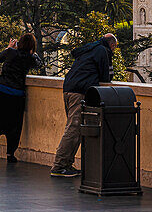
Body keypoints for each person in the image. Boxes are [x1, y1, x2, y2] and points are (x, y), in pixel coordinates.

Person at [50, 33, 117, 177]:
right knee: (74, 129)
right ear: (112, 45)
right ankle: (59, 165)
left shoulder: (89, 48)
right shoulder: (102, 51)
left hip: (68, 89)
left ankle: (66, 164)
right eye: (114, 48)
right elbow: (107, 76)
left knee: (75, 129)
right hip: (80, 92)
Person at [0, 32, 42, 164]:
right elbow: (39, 64)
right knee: (14, 124)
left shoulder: (11, 53)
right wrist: (32, 52)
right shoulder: (30, 57)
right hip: (17, 94)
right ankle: (10, 154)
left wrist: (10, 47)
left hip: (2, 91)